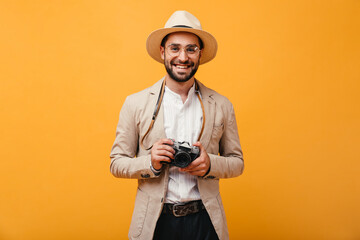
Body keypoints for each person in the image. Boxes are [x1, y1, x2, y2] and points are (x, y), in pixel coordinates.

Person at [110, 10, 244, 240]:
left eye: (191, 49)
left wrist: (210, 163)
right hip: (155, 223)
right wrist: (150, 162)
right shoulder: (136, 103)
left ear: (200, 54)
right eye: (175, 48)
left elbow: (237, 162)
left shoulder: (221, 104)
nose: (183, 57)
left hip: (206, 220)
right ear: (163, 52)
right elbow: (116, 163)